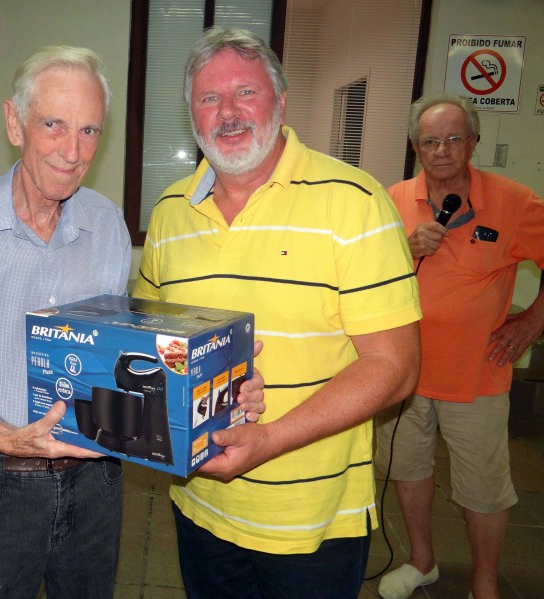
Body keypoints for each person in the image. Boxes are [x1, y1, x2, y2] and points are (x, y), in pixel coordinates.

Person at [0, 45, 265, 598]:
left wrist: (221, 382)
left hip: (96, 485)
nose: (72, 151)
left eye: (89, 131)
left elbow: (121, 350)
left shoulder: (107, 224)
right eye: (54, 125)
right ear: (14, 123)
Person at [133, 27, 422, 599]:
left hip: (310, 522)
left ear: (281, 102)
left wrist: (271, 438)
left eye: (246, 92)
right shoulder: (169, 211)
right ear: (192, 115)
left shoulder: (355, 201)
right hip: (199, 504)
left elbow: (396, 367)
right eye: (209, 98)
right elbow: (151, 338)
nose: (228, 112)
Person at [374, 93, 544, 599]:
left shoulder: (512, 201)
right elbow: (363, 274)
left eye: (454, 139)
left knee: (482, 488)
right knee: (408, 470)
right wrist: (402, 249)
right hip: (403, 370)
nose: (442, 150)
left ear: (473, 142)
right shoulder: (390, 200)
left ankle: (485, 584)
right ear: (416, 147)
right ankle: (422, 562)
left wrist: (535, 319)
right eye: (430, 141)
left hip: (477, 374)